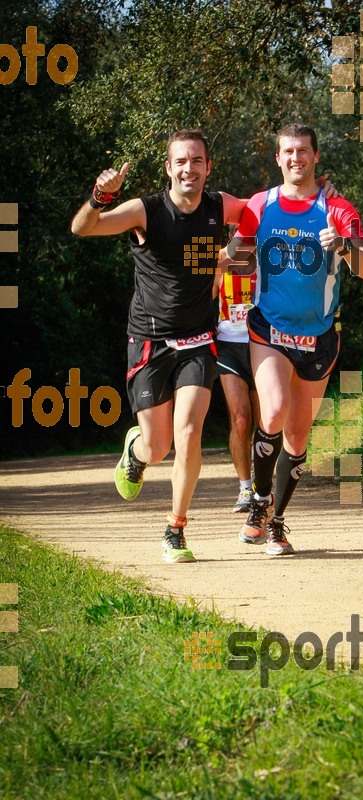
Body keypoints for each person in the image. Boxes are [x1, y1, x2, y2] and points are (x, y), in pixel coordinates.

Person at [71, 129, 249, 564]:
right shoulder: (145, 210)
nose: (190, 169)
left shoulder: (219, 206)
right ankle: (136, 453)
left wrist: (228, 254)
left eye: (198, 161)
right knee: (159, 446)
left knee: (189, 432)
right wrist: (100, 195)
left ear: (208, 166)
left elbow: (261, 213)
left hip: (198, 340)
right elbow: (82, 228)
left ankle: (176, 530)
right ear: (169, 168)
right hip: (150, 342)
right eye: (181, 162)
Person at [219, 122, 363, 556]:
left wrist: (344, 246)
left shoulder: (337, 208)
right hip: (269, 328)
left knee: (298, 438)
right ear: (277, 158)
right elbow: (236, 257)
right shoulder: (259, 205)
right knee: (271, 412)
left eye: (302, 151)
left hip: (320, 336)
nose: (295, 158)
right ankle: (259, 503)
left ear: (315, 157)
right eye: (287, 151)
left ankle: (277, 523)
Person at [213, 255, 260, 513]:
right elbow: (201, 295)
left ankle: (261, 481)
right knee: (240, 418)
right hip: (229, 346)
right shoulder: (220, 260)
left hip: (262, 345)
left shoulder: (268, 257)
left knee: (264, 423)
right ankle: (245, 486)